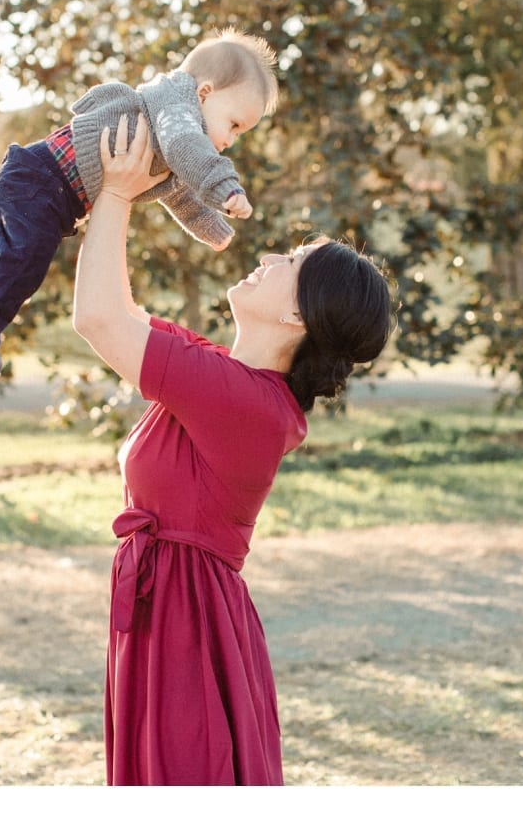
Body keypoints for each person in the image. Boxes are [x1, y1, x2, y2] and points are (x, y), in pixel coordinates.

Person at [72, 113, 395, 785]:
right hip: (170, 613)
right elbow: (122, 314)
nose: (272, 257)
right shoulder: (227, 379)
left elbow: (97, 318)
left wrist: (119, 192)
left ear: (298, 316)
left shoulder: (242, 402)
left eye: (293, 262)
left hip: (187, 628)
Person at [0, 28, 278, 379]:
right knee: (27, 254)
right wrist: (226, 187)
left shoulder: (171, 138)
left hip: (41, 184)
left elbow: (182, 197)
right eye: (234, 125)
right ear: (204, 93)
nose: (232, 139)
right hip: (44, 180)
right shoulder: (176, 108)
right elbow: (187, 148)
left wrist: (214, 228)